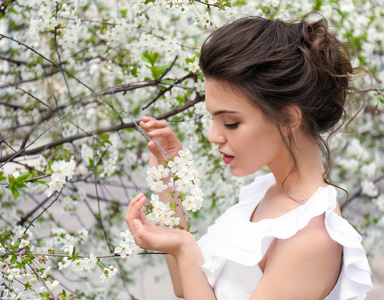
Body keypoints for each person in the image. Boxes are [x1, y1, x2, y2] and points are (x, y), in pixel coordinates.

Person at [125, 14, 373, 299]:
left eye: (230, 122)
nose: (213, 136)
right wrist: (168, 184)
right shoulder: (266, 194)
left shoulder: (311, 238)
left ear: (288, 119)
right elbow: (188, 286)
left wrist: (184, 248)